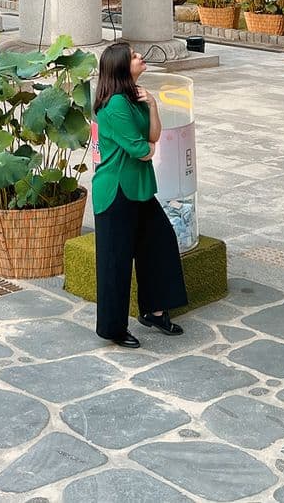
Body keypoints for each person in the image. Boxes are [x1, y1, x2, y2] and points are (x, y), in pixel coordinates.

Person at [92, 41, 188, 347]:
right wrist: (147, 148)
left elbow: (153, 136)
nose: (139, 56)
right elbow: (140, 150)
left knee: (159, 241)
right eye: (133, 56)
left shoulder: (135, 97)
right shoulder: (116, 105)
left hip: (139, 187)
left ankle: (155, 311)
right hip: (116, 190)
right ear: (121, 66)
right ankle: (113, 329)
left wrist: (153, 106)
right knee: (115, 260)